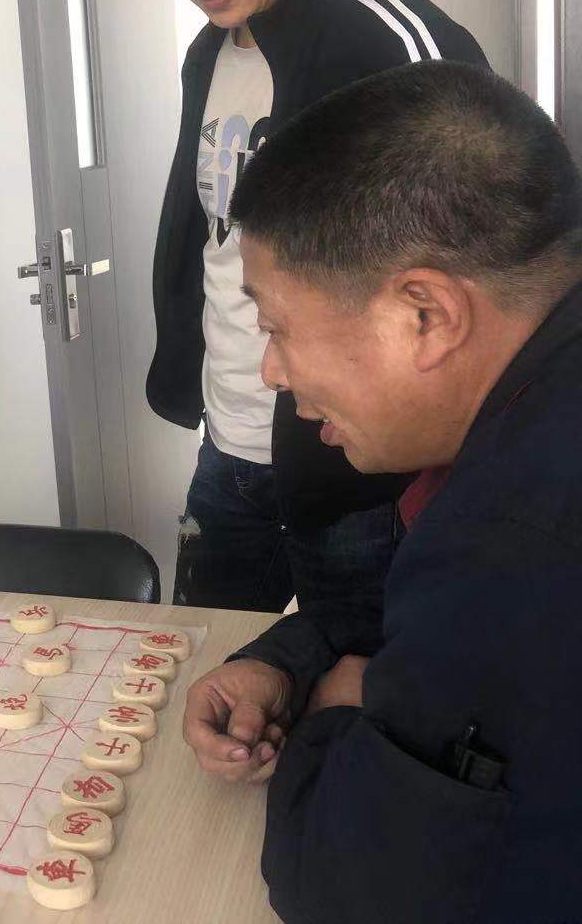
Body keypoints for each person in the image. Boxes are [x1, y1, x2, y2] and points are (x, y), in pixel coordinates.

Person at [182, 61, 582, 921]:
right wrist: (289, 663)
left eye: (279, 327)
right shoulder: (533, 394)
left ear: (424, 316)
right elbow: (403, 623)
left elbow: (349, 886)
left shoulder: (518, 546)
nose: (272, 371)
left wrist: (333, 711)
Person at [129, 0, 488, 610]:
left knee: (359, 671)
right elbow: (210, 239)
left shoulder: (391, 44)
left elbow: (487, 281)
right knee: (208, 660)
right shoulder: (208, 53)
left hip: (357, 469)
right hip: (227, 443)